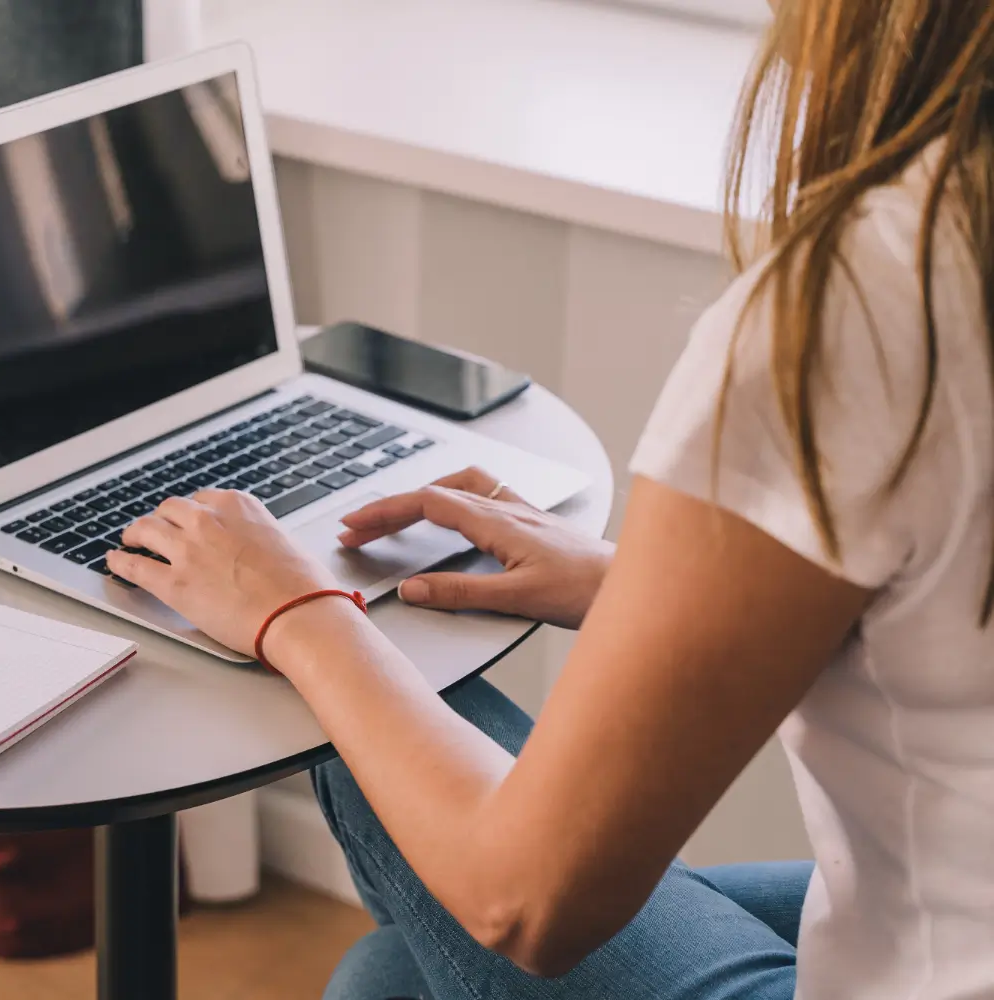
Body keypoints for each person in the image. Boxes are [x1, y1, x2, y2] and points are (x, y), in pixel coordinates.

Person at [104, 0, 994, 996]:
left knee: (375, 769)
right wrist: (649, 590)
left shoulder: (866, 307)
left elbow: (526, 898)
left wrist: (298, 611)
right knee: (385, 980)